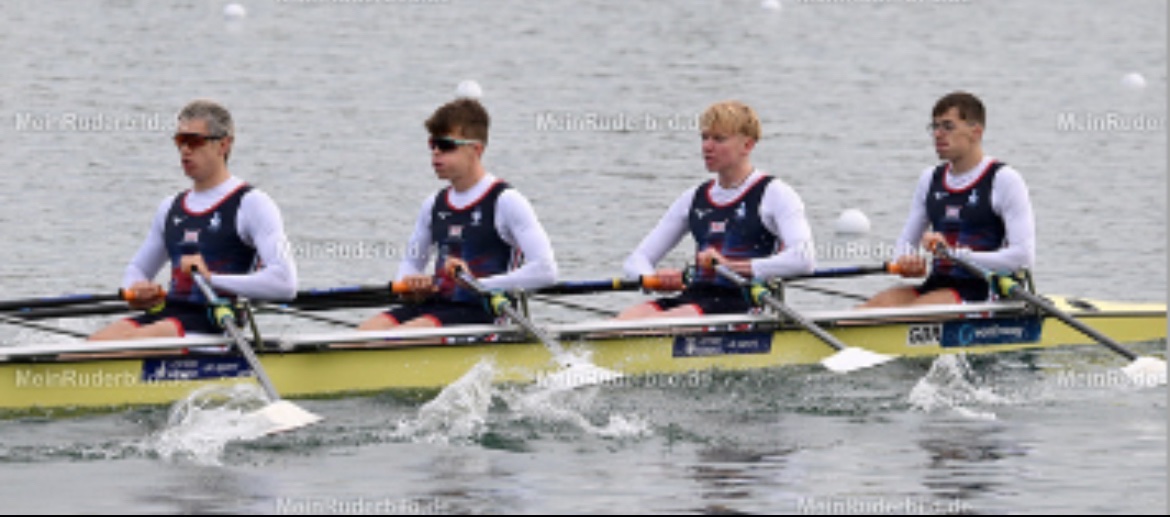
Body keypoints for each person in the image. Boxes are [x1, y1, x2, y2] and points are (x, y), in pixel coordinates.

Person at [88, 99, 298, 340]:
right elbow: (138, 268)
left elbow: (285, 283)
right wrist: (135, 290)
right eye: (180, 141)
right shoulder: (170, 208)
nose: (185, 150)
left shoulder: (252, 204)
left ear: (223, 145)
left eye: (194, 141)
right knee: (91, 344)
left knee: (126, 344)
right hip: (171, 313)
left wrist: (211, 279)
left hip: (216, 321)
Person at [357, 97, 557, 330]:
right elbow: (412, 261)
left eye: (446, 145)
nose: (436, 153)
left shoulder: (506, 201)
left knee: (402, 335)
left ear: (476, 150)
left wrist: (477, 284)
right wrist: (411, 285)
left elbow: (546, 270)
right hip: (437, 305)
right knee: (364, 332)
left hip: (485, 312)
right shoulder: (433, 204)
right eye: (433, 144)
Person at [617, 100, 816, 320]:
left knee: (654, 324)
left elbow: (803, 259)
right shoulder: (693, 198)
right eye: (704, 138)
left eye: (719, 139)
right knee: (619, 323)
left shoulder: (775, 194)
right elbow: (637, 259)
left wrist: (730, 266)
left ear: (747, 145)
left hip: (745, 303)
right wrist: (652, 279)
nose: (707, 146)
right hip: (695, 297)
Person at [861, 91, 1035, 307]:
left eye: (948, 126)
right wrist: (906, 261)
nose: (938, 134)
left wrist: (955, 255)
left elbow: (1023, 256)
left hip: (986, 291)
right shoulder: (930, 179)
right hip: (938, 285)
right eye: (935, 127)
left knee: (916, 313)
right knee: (865, 311)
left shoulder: (1004, 180)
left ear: (976, 132)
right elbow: (906, 242)